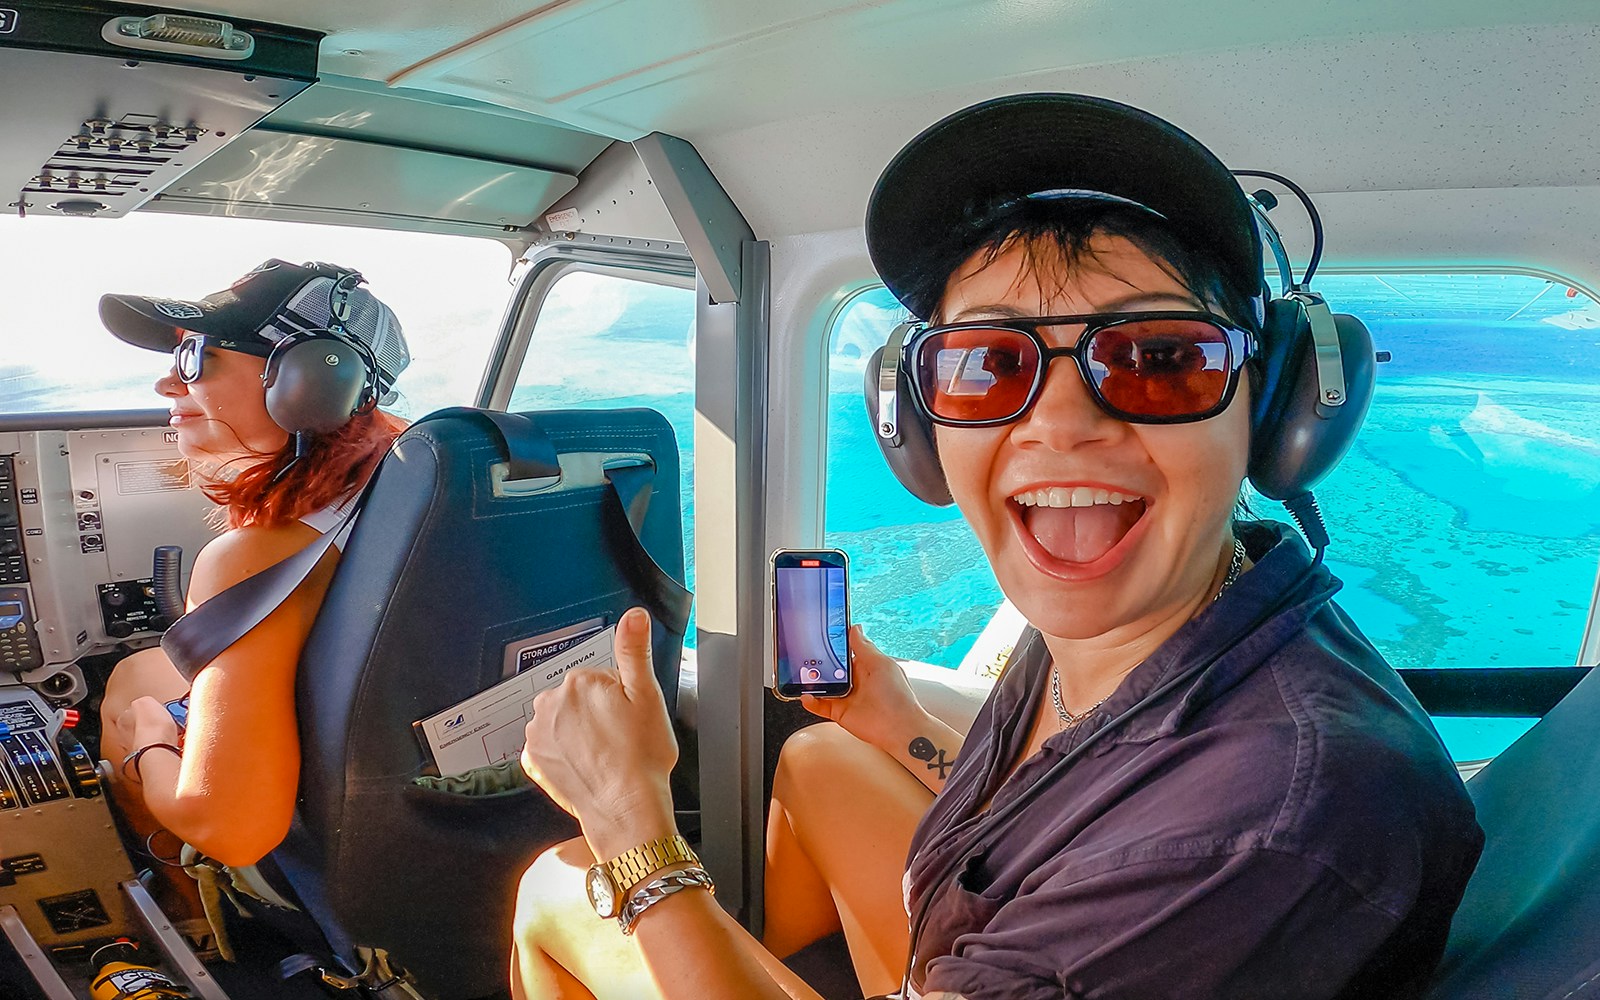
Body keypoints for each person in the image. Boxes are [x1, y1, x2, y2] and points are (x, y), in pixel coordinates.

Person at [511, 94, 1483, 1000]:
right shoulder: (1180, 601)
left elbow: (1139, 842)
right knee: (817, 759)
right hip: (987, 947)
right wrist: (895, 719)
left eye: (1155, 356)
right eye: (988, 363)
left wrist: (631, 826)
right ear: (918, 420)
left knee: (555, 893)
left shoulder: (1256, 829)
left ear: (1270, 406)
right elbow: (1067, 807)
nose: (1058, 424)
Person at [97, 260, 409, 900]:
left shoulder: (252, 558)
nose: (166, 382)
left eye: (194, 359)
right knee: (142, 673)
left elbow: (231, 827)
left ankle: (196, 917)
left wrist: (151, 747)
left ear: (307, 383)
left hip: (335, 835)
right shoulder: (416, 481)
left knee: (134, 698)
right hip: (419, 767)